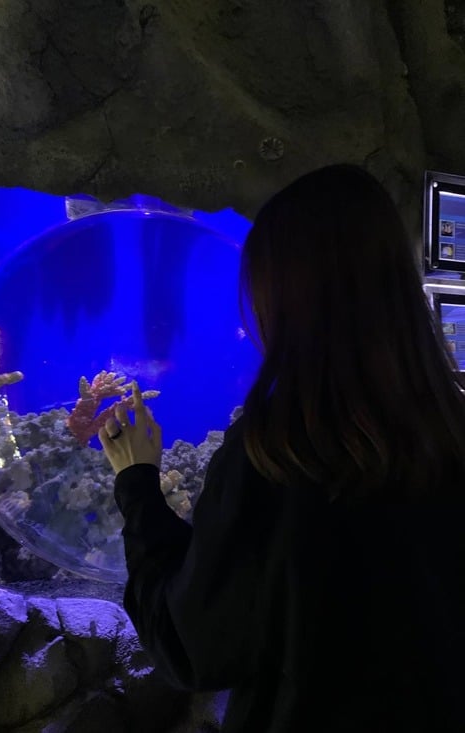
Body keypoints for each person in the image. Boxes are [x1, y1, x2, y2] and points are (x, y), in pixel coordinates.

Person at [99, 164, 465, 733]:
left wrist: (137, 482)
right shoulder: (450, 427)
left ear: (282, 300)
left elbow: (189, 645)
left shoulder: (278, 455)